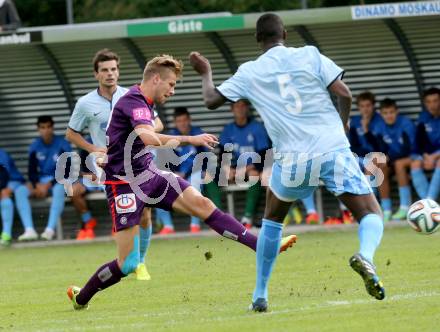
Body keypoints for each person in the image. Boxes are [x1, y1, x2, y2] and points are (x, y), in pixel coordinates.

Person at [66, 54, 297, 311]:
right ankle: (82, 296)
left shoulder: (139, 100)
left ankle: (262, 246)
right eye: (172, 84)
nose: (173, 91)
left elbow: (139, 131)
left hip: (149, 174)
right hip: (123, 185)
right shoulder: (134, 101)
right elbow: (148, 137)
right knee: (127, 264)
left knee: (202, 203)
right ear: (156, 79)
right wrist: (191, 139)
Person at [190, 13, 386, 311]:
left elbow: (211, 99)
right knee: (371, 213)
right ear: (285, 33)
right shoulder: (309, 54)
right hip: (332, 148)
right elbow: (344, 93)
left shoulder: (250, 71)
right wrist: (343, 124)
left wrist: (205, 72)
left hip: (291, 159)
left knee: (272, 220)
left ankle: (260, 294)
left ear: (258, 40)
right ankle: (366, 256)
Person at [66, 49, 162, 280]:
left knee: (145, 214)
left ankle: (140, 262)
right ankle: (126, 260)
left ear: (118, 71)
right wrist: (92, 148)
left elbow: (157, 123)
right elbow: (71, 133)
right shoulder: (85, 103)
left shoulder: (133, 96)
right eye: (105, 70)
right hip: (110, 166)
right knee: (127, 213)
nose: (110, 74)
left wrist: (140, 131)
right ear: (96, 74)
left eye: (113, 69)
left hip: (138, 161)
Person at [156, 107, 206, 234]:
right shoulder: (171, 137)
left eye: (185, 120)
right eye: (179, 121)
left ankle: (195, 225)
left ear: (189, 120)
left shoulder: (198, 134)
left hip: (194, 173)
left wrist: (186, 172)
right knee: (156, 187)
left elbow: (205, 158)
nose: (182, 123)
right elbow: (164, 160)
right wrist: (174, 173)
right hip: (175, 174)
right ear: (175, 122)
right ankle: (168, 226)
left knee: (195, 182)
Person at [29, 116, 71, 240]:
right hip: (41, 182)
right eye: (42, 128)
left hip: (59, 180)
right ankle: (29, 229)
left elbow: (67, 170)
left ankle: (49, 230)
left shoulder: (63, 144)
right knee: (21, 191)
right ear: (38, 129)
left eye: (48, 127)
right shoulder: (35, 145)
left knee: (59, 188)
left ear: (52, 128)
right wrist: (36, 184)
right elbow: (31, 170)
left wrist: (48, 185)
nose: (46, 130)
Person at [375, 98, 416, 221]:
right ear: (381, 114)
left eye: (391, 112)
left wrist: (389, 157)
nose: (389, 116)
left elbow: (410, 148)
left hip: (411, 157)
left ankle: (405, 207)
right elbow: (380, 148)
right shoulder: (379, 126)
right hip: (393, 160)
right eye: (385, 113)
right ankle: (386, 210)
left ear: (397, 112)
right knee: (380, 168)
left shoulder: (406, 124)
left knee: (399, 164)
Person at [0, 149, 37, 245]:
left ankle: (6, 234)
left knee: (4, 196)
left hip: (13, 183)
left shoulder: (1, 153)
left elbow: (4, 173)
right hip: (6, 185)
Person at [410, 87, 440, 201]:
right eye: (428, 102)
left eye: (435, 101)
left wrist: (434, 156)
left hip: (437, 156)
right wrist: (425, 156)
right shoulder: (424, 117)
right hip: (430, 155)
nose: (432, 105)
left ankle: (430, 202)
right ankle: (427, 202)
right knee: (415, 164)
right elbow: (419, 142)